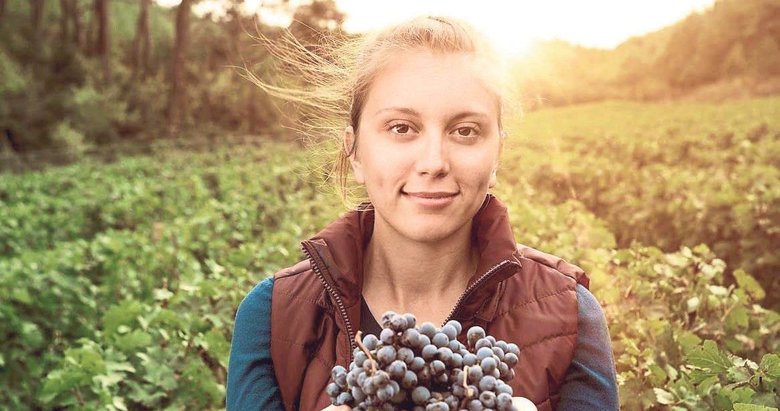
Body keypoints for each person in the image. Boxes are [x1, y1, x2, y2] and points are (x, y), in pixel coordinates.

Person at [227, 16, 618, 411]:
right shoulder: (271, 317)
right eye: (401, 128)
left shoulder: (571, 313)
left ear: (496, 153)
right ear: (355, 151)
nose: (434, 162)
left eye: (465, 131)